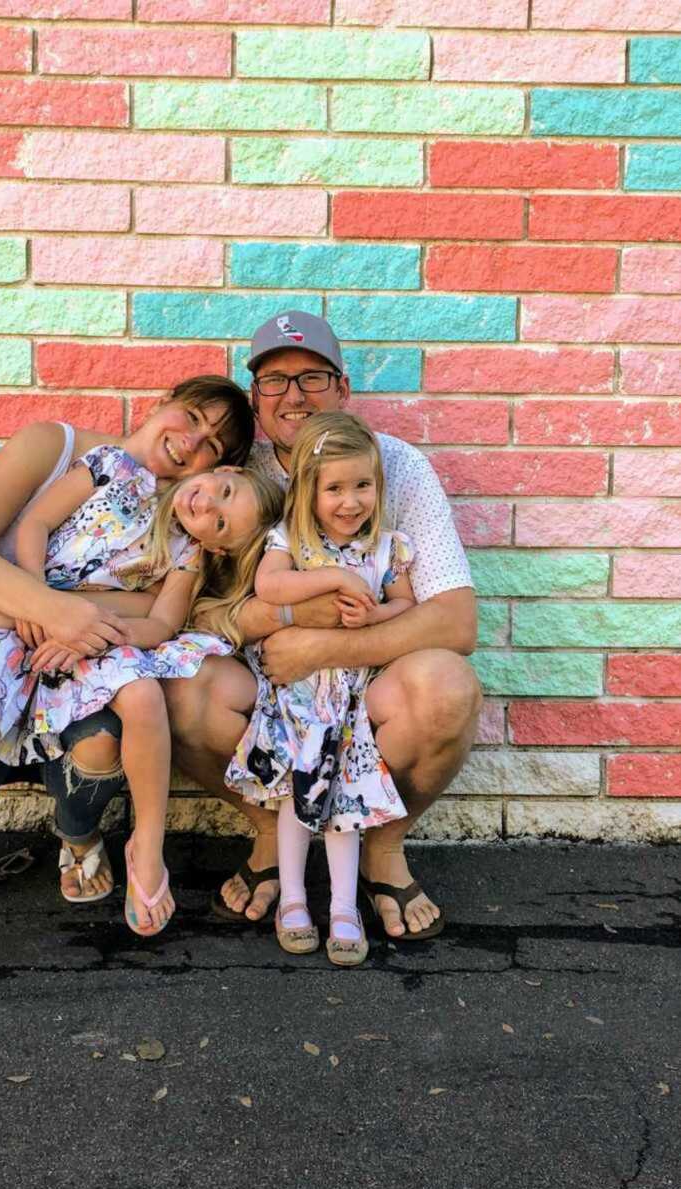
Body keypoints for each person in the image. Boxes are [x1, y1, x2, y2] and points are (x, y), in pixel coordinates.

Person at [0, 376, 255, 925]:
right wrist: (39, 602)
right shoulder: (100, 463)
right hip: (19, 624)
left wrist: (91, 626)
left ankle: (140, 849)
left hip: (89, 644)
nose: (193, 443)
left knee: (141, 699)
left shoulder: (181, 533)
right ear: (163, 400)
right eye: (194, 419)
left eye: (212, 447)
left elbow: (161, 618)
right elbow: (26, 525)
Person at [166, 314, 481, 941]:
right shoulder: (233, 477)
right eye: (274, 381)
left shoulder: (392, 467)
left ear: (343, 388)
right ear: (254, 400)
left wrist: (322, 644)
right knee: (179, 687)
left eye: (311, 376)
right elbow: (175, 614)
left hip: (372, 685)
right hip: (269, 691)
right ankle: (267, 835)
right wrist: (276, 617)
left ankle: (382, 848)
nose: (293, 395)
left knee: (448, 687)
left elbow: (455, 620)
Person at [225, 412, 416, 965]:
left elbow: (407, 603)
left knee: (343, 805)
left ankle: (343, 909)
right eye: (334, 488)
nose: (350, 502)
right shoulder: (292, 543)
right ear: (308, 490)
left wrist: (379, 615)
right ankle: (293, 900)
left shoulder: (387, 546)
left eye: (363, 485)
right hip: (299, 701)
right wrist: (336, 577)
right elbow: (270, 585)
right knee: (296, 799)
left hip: (351, 704)